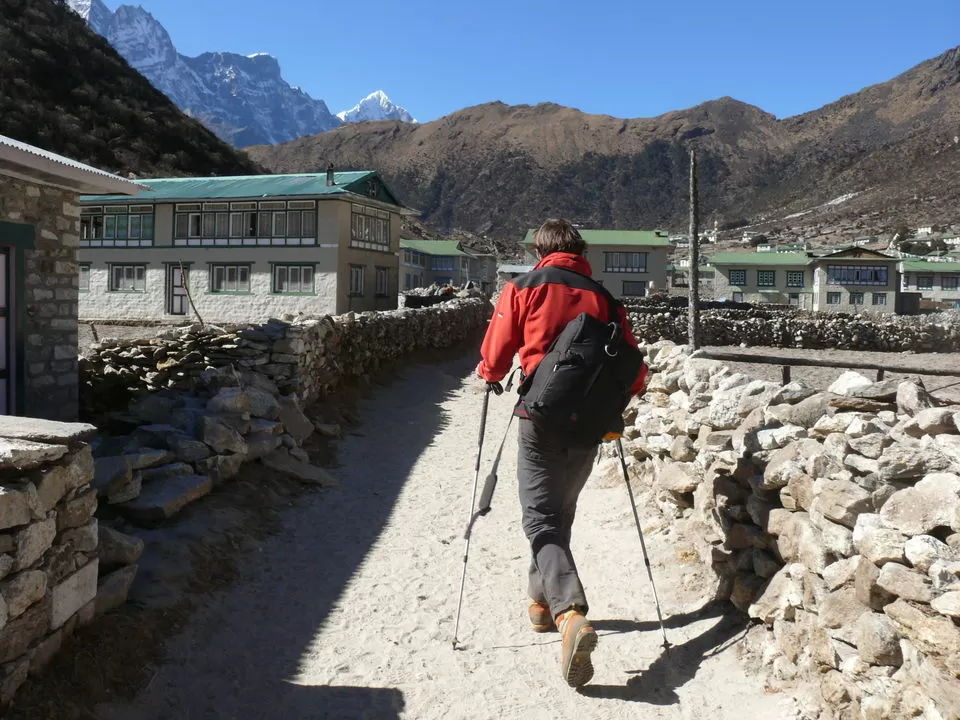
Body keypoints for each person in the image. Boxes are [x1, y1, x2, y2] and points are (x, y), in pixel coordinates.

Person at [476, 219, 647, 688]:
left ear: (539, 250)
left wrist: (490, 372)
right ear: (580, 251)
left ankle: (570, 613)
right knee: (558, 512)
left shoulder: (523, 286)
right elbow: (635, 369)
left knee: (538, 517)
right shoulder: (605, 298)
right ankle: (540, 605)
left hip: (539, 418)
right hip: (590, 423)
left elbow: (497, 349)